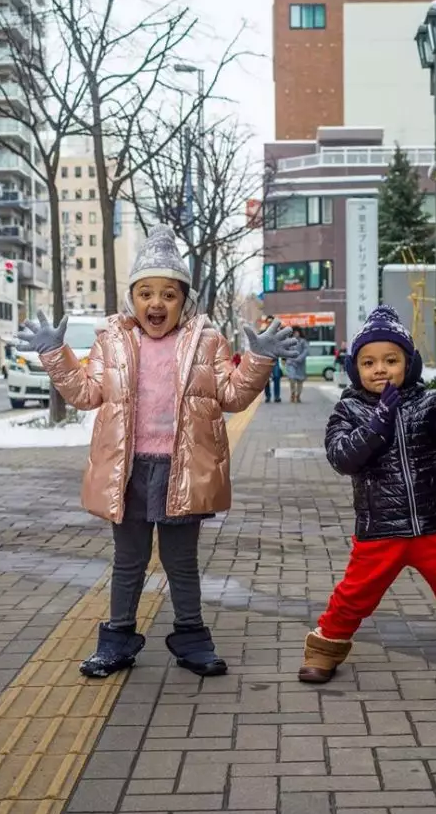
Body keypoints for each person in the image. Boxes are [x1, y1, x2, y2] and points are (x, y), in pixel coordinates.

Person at [19, 225, 300, 679]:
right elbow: (87, 393)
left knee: (180, 563)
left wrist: (259, 361)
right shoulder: (112, 339)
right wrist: (57, 354)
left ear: (183, 299)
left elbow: (230, 396)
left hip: (182, 470)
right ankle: (117, 640)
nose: (156, 304)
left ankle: (192, 639)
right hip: (126, 470)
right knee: (128, 561)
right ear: (132, 298)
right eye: (146, 292)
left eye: (168, 294)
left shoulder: (206, 340)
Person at [298, 305, 436, 686]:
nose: (379, 369)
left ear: (408, 364)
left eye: (390, 360)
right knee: (354, 594)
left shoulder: (430, 403)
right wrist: (376, 426)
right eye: (368, 362)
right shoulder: (348, 409)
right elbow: (342, 458)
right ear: (355, 369)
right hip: (380, 527)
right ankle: (324, 649)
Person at [285, 327, 309, 403]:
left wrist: (300, 358)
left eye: (297, 332)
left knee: (300, 380)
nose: (296, 334)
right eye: (295, 332)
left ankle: (298, 395)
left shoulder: (303, 341)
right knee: (292, 378)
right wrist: (289, 358)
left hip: (300, 364)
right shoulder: (289, 341)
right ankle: (292, 393)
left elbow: (306, 351)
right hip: (291, 363)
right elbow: (285, 351)